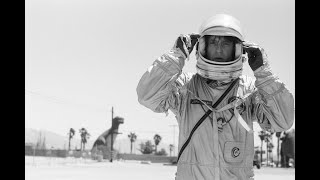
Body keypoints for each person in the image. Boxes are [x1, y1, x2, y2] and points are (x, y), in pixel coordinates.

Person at [136, 14, 294, 180]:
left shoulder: (249, 90)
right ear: (202, 47)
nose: (219, 49)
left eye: (225, 44)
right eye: (213, 42)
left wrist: (264, 74)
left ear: (238, 50)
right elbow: (147, 96)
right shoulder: (185, 87)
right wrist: (176, 57)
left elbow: (283, 121)